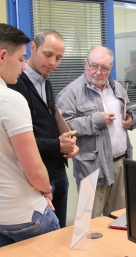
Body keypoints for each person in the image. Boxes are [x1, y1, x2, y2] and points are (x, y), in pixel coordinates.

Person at [7, 29, 79, 228]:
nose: (53, 63)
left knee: (60, 235)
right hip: (37, 180)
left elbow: (46, 125)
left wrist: (67, 145)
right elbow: (20, 143)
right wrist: (57, 145)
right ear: (32, 48)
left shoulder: (45, 82)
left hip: (57, 172)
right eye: (48, 55)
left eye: (58, 58)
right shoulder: (14, 84)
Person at [56, 46, 136, 218]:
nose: (98, 72)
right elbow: (65, 127)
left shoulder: (118, 88)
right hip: (91, 168)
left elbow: (128, 111)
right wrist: (97, 120)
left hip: (120, 164)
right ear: (85, 64)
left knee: (119, 218)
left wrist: (131, 120)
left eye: (104, 68)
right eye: (94, 66)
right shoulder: (71, 93)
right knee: (88, 224)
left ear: (111, 69)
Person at [0, 23, 59, 246]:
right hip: (24, 214)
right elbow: (33, 168)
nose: (24, 67)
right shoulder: (10, 100)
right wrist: (45, 191)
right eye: (21, 59)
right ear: (3, 56)